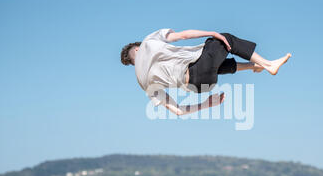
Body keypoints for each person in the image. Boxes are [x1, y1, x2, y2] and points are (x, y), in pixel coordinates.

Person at [121, 29, 291, 115]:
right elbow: (184, 36)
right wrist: (213, 33)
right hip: (198, 68)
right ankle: (268, 65)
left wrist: (207, 104)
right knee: (225, 39)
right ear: (137, 49)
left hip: (200, 86)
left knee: (213, 62)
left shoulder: (142, 82)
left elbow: (178, 111)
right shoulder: (148, 41)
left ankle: (254, 66)